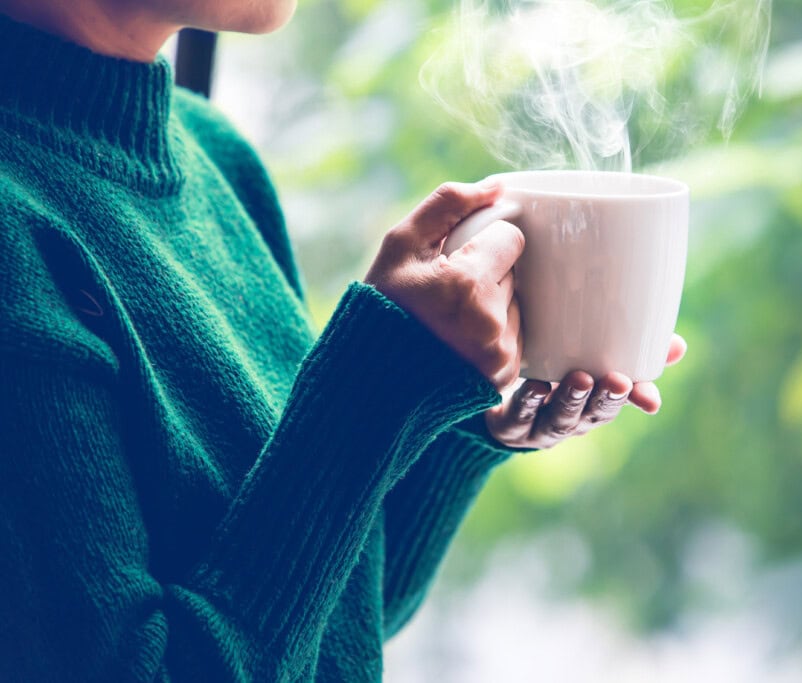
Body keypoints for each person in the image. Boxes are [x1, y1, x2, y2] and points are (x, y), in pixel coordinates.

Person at [0, 0, 686, 680]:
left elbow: (335, 626)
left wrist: (459, 428)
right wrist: (373, 387)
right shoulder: (15, 234)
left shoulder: (214, 155)